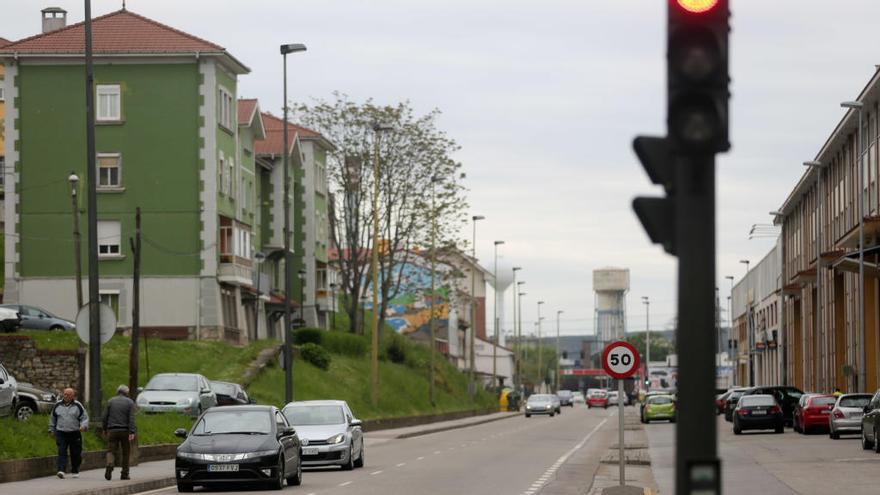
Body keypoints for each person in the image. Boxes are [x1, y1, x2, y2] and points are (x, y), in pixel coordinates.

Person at [48, 387, 89, 479]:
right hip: (61, 432)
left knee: (75, 453)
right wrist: (51, 429)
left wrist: (83, 426)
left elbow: (84, 417)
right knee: (61, 451)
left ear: (72, 396)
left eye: (68, 394)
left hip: (74, 433)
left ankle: (75, 469)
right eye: (64, 394)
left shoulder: (78, 405)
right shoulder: (58, 405)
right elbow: (53, 418)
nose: (65, 396)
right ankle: (61, 470)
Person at [102, 384, 137, 481]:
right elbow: (131, 418)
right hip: (125, 431)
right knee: (126, 452)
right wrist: (132, 431)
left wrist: (104, 429)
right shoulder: (130, 402)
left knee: (111, 450)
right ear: (126, 393)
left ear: (118, 392)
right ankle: (124, 474)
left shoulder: (110, 401)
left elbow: (105, 417)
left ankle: (109, 465)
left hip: (112, 430)